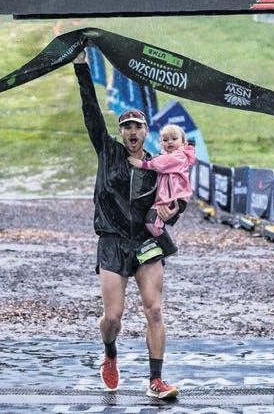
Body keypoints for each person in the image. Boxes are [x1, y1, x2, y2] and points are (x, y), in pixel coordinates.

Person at [73, 51, 181, 400]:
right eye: (127, 127)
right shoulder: (108, 151)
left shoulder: (159, 165)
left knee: (155, 309)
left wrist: (173, 213)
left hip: (146, 243)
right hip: (112, 242)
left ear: (147, 132)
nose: (132, 131)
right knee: (114, 317)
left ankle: (156, 380)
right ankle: (110, 352)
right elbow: (91, 110)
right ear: (121, 132)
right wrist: (81, 67)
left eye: (138, 127)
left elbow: (175, 199)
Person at [127, 124, 195, 257]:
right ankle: (160, 243)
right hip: (165, 199)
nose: (169, 142)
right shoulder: (164, 155)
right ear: (161, 142)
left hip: (176, 198)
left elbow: (163, 163)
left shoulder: (179, 156)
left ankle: (169, 248)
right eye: (165, 140)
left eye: (174, 139)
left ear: (183, 142)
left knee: (152, 221)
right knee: (150, 221)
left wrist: (143, 164)